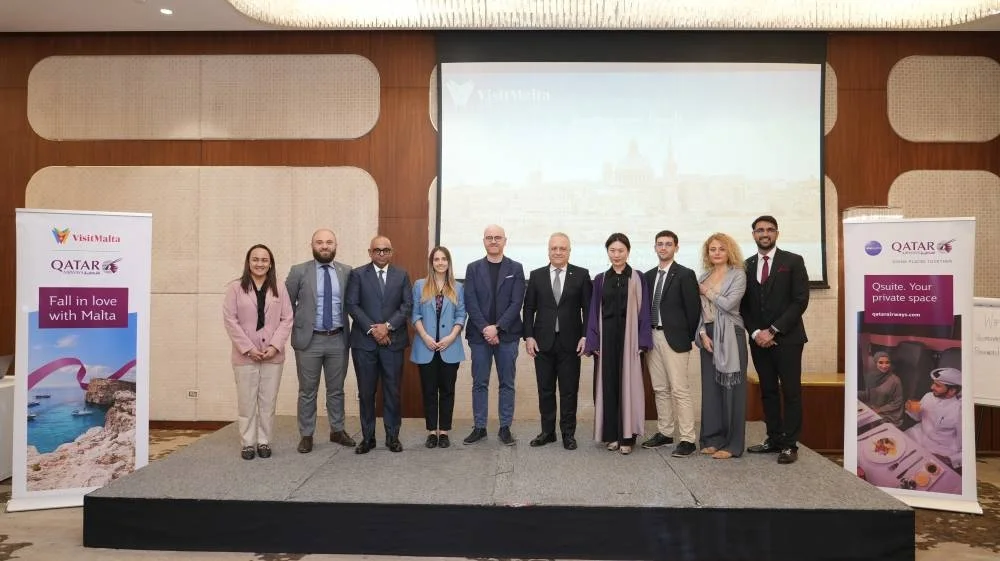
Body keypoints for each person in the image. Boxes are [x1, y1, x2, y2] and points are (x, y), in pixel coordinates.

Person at [740, 215, 810, 465]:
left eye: (770, 229)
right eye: (760, 230)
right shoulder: (746, 265)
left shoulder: (793, 261)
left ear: (777, 234)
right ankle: (774, 439)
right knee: (768, 391)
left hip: (788, 339)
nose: (765, 233)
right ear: (753, 235)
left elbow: (800, 300)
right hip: (758, 341)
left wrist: (773, 330)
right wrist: (755, 333)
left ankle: (790, 445)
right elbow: (743, 306)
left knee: (790, 392)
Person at [286, 229, 356, 454]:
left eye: (329, 242)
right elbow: (286, 305)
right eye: (319, 242)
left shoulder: (347, 272)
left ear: (336, 245)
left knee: (336, 390)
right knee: (307, 391)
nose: (324, 246)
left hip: (338, 340)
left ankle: (337, 430)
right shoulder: (298, 271)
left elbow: (354, 303)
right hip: (310, 341)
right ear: (312, 245)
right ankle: (306, 434)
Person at [223, 244, 293, 460]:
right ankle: (247, 443)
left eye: (264, 260)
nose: (259, 263)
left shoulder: (279, 287)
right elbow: (230, 320)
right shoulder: (235, 288)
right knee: (246, 401)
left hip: (273, 355)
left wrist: (274, 346)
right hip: (245, 356)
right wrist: (249, 348)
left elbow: (287, 319)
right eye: (255, 259)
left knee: (267, 402)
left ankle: (264, 441)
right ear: (248, 262)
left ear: (270, 264)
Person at [523, 233, 593, 451]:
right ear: (548, 251)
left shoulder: (581, 275)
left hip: (571, 343)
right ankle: (547, 432)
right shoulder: (536, 275)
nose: (558, 252)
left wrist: (585, 336)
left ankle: (568, 434)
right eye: (554, 248)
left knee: (569, 391)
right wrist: (529, 336)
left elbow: (588, 309)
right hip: (542, 343)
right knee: (545, 390)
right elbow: (528, 308)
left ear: (569, 251)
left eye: (562, 248)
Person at [584, 233, 652, 455]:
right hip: (606, 340)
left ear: (628, 252)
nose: (616, 255)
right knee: (609, 385)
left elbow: (644, 311)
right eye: (612, 250)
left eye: (620, 250)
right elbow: (593, 311)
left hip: (629, 340)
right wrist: (593, 339)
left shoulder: (638, 278)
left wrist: (643, 340)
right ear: (608, 252)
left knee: (629, 386)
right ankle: (611, 435)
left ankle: (627, 437)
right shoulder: (600, 279)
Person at [346, 236, 413, 454]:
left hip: (393, 342)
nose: (381, 253)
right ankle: (368, 438)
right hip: (364, 344)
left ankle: (393, 437)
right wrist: (374, 330)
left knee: (392, 391)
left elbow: (407, 305)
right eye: (377, 250)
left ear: (391, 252)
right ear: (370, 252)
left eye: (385, 250)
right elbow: (352, 305)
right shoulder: (357, 274)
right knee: (366, 393)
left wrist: (387, 327)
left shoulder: (401, 275)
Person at [463, 224, 525, 446]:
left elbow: (516, 302)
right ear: (484, 241)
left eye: (498, 237)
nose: (493, 241)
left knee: (507, 383)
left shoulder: (516, 268)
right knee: (480, 383)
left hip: (507, 336)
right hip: (479, 337)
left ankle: (505, 428)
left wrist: (497, 328)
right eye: (489, 237)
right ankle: (479, 427)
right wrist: (486, 329)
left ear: (505, 241)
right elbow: (470, 301)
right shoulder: (472, 268)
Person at [641, 230, 701, 457]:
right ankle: (665, 432)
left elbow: (693, 310)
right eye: (660, 244)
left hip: (674, 339)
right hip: (652, 337)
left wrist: (684, 337)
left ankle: (687, 439)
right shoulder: (648, 276)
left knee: (679, 389)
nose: (663, 247)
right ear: (655, 247)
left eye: (668, 244)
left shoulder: (685, 274)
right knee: (659, 388)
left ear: (676, 247)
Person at [694, 233, 748, 459]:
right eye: (712, 249)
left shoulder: (738, 275)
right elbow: (698, 310)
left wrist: (706, 291)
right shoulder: (703, 276)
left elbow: (729, 304)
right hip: (708, 334)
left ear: (729, 252)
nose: (716, 253)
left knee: (732, 389)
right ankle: (712, 439)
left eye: (721, 249)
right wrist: (702, 334)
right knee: (711, 389)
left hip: (731, 334)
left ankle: (732, 445)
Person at [411, 246, 467, 449]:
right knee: (428, 391)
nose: (440, 262)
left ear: (449, 262)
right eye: (437, 259)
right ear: (431, 263)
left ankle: (443, 431)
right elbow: (415, 314)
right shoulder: (420, 285)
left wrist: (451, 337)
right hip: (425, 346)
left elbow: (461, 315)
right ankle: (431, 432)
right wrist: (425, 337)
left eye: (444, 259)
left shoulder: (458, 287)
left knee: (447, 391)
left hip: (449, 347)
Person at [905, 367, 963, 469]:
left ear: (952, 391)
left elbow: (968, 446)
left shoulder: (960, 410)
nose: (932, 387)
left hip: (940, 449)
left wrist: (950, 459)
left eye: (938, 385)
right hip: (918, 435)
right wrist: (911, 410)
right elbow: (918, 418)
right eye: (933, 383)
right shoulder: (928, 396)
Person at [858, 351, 904, 427]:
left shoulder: (895, 380)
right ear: (875, 363)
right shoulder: (871, 377)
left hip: (888, 413)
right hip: (871, 408)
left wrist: (879, 410)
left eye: (887, 362)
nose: (884, 366)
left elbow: (897, 402)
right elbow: (867, 394)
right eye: (881, 362)